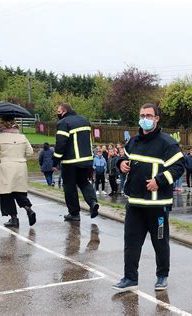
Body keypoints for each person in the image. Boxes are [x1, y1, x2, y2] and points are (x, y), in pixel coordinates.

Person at [112, 103, 184, 292]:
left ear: (156, 118)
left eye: (149, 115)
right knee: (131, 243)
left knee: (160, 243)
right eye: (142, 115)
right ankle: (130, 277)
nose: (145, 118)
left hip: (157, 205)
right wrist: (121, 163)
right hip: (135, 203)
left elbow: (179, 167)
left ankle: (162, 276)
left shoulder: (167, 143)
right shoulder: (133, 142)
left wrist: (159, 181)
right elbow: (122, 158)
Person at [53, 103, 99, 221]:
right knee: (84, 183)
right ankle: (93, 202)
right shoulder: (84, 120)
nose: (57, 114)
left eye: (58, 111)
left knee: (69, 187)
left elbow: (60, 144)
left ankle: (74, 213)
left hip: (71, 161)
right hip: (86, 160)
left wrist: (55, 162)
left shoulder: (63, 123)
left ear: (64, 111)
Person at [0, 115, 36, 228]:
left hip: (5, 168)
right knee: (19, 191)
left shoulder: (0, 137)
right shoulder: (22, 137)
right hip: (20, 167)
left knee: (7, 193)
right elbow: (30, 152)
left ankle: (14, 219)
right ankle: (28, 208)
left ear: (1, 125)